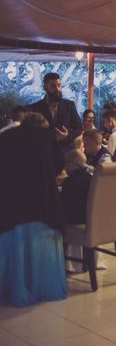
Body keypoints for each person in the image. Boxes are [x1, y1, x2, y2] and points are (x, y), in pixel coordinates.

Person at [0, 112, 67, 307]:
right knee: (40, 242)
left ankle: (15, 285)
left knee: (15, 242)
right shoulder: (46, 137)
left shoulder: (7, 136)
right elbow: (58, 164)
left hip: (14, 200)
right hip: (42, 201)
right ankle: (39, 285)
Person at [28, 72, 81, 149]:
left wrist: (67, 136)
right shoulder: (36, 108)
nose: (58, 89)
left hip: (65, 150)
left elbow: (79, 128)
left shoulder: (69, 105)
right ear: (45, 88)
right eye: (53, 86)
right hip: (44, 149)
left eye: (59, 85)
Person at [59, 149, 92, 225]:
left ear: (72, 163)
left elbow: (63, 205)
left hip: (75, 221)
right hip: (90, 218)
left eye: (66, 163)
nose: (65, 167)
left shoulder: (70, 181)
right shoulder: (92, 178)